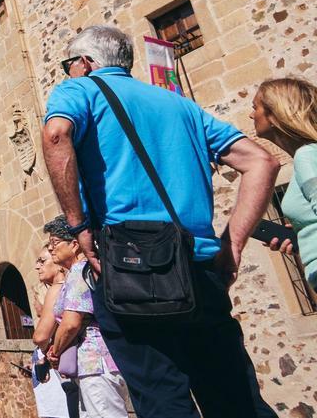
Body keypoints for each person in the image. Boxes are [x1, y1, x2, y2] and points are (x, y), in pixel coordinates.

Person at [42, 25, 281, 418]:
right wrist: (232, 244)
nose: (69, 71)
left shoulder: (78, 89)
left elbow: (56, 135)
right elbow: (261, 161)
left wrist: (79, 225)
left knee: (162, 400)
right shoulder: (179, 105)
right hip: (199, 268)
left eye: (70, 64)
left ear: (85, 62)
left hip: (127, 269)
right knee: (236, 400)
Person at [42, 216, 127, 417]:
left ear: (74, 245)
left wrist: (55, 350)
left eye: (55, 243)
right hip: (94, 364)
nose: (51, 248)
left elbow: (72, 323)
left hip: (95, 363)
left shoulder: (79, 272)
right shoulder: (82, 271)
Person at [251, 77, 317, 288]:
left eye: (256, 107)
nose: (251, 114)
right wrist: (303, 232)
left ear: (274, 114)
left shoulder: (306, 156)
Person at [30, 246, 72, 418]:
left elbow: (40, 337)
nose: (37, 267)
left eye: (42, 261)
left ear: (58, 264)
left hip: (62, 371)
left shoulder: (57, 289)